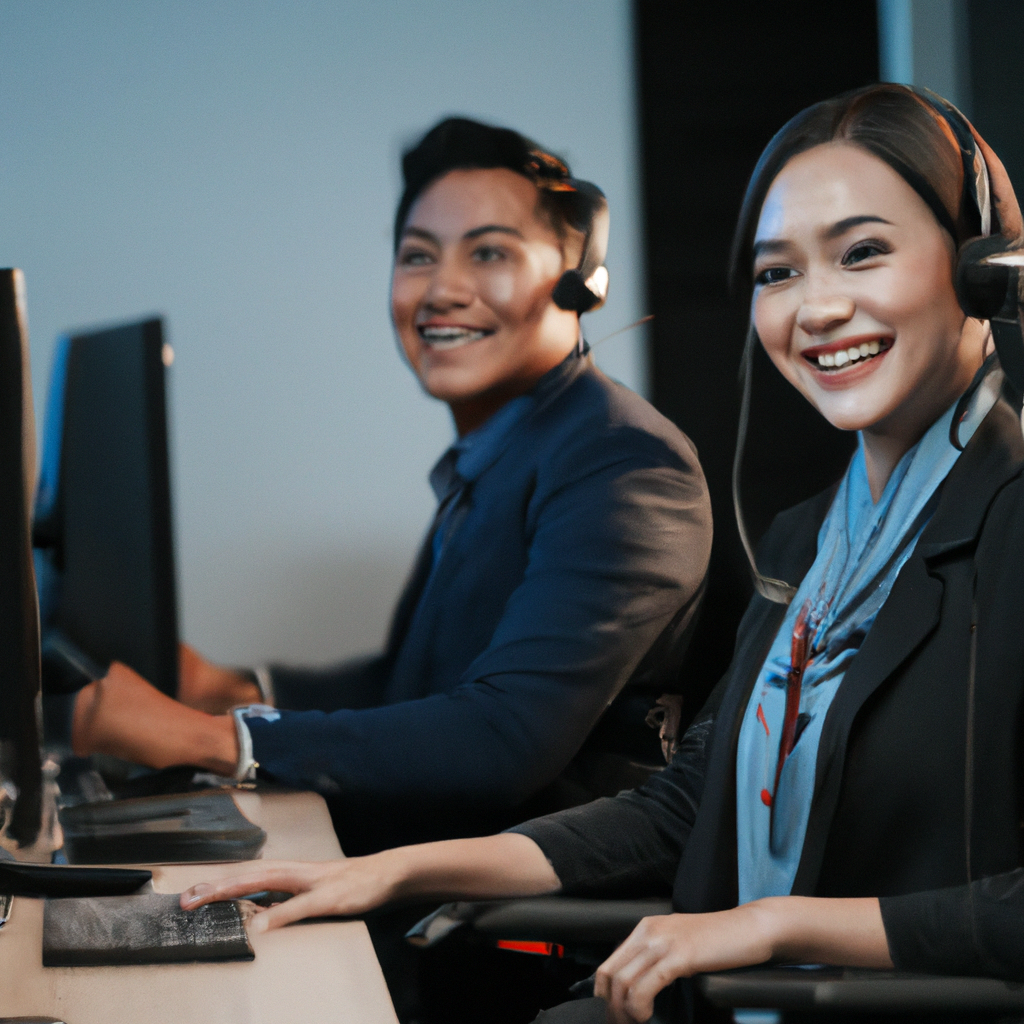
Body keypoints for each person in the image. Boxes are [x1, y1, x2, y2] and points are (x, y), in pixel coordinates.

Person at [177, 84, 1024, 1024]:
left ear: (984, 267)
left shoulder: (1011, 523)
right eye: (778, 273)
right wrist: (386, 872)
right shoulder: (813, 540)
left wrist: (781, 927)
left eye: (863, 253)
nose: (816, 308)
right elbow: (684, 808)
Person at [69, 117, 713, 857]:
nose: (442, 289)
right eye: (417, 256)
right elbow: (410, 685)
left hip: (503, 942)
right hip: (420, 888)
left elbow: (498, 739)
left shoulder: (624, 466)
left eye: (490, 252)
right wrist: (233, 685)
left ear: (578, 278)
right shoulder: (507, 452)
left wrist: (214, 737)